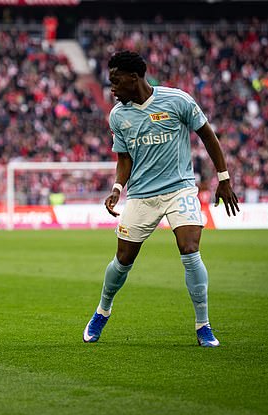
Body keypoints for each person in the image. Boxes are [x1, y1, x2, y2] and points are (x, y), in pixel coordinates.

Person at [83, 51, 240, 347]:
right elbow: (124, 158)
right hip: (141, 195)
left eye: (116, 81)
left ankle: (203, 325)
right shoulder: (118, 115)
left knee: (190, 249)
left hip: (180, 189)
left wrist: (224, 178)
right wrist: (117, 188)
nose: (112, 88)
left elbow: (208, 135)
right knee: (123, 259)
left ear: (134, 77)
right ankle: (102, 310)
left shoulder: (177, 100)